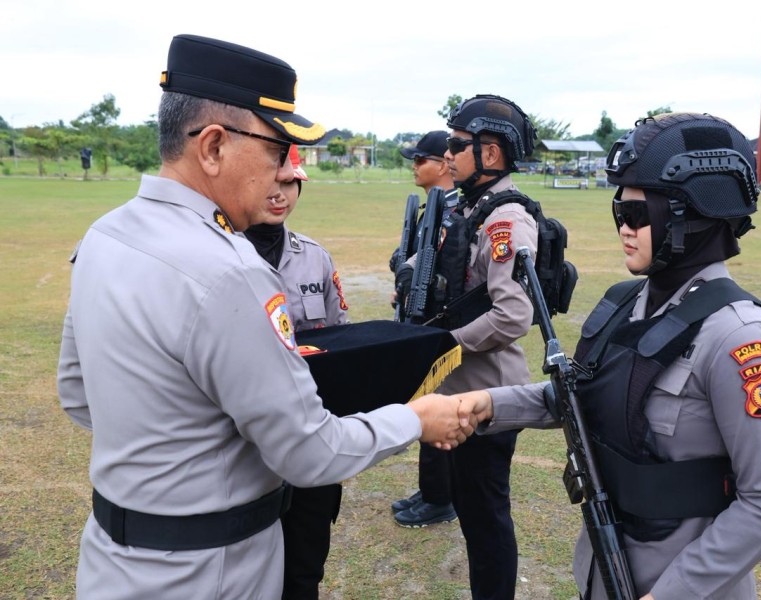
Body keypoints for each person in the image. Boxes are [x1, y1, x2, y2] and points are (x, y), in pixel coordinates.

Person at [56, 33, 473, 600]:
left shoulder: (105, 236)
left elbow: (79, 394)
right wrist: (415, 420)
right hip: (209, 570)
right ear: (213, 147)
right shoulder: (230, 271)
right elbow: (308, 452)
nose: (284, 172)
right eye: (277, 151)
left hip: (112, 560)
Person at [454, 112, 761, 599]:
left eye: (639, 214)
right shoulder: (626, 303)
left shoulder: (739, 337)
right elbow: (578, 397)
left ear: (694, 215)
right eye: (619, 210)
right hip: (604, 566)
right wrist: (486, 405)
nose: (624, 226)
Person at [395, 94, 539, 599]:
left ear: (491, 155)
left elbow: (513, 314)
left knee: (485, 519)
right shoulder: (471, 209)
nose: (448, 155)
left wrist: (443, 344)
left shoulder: (506, 219)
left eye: (458, 146)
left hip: (487, 396)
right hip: (461, 391)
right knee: (471, 509)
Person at [242, 149, 348, 600]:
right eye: (272, 181)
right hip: (246, 446)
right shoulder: (217, 254)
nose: (281, 193)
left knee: (305, 567)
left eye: (291, 183)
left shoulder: (315, 259)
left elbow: (342, 343)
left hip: (310, 437)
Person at [390, 131, 459, 528]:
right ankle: (432, 489)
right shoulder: (433, 208)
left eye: (420, 160)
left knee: (437, 403)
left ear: (442, 165)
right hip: (420, 318)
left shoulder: (454, 213)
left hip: (439, 325)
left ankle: (440, 496)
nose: (414, 167)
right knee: (423, 402)